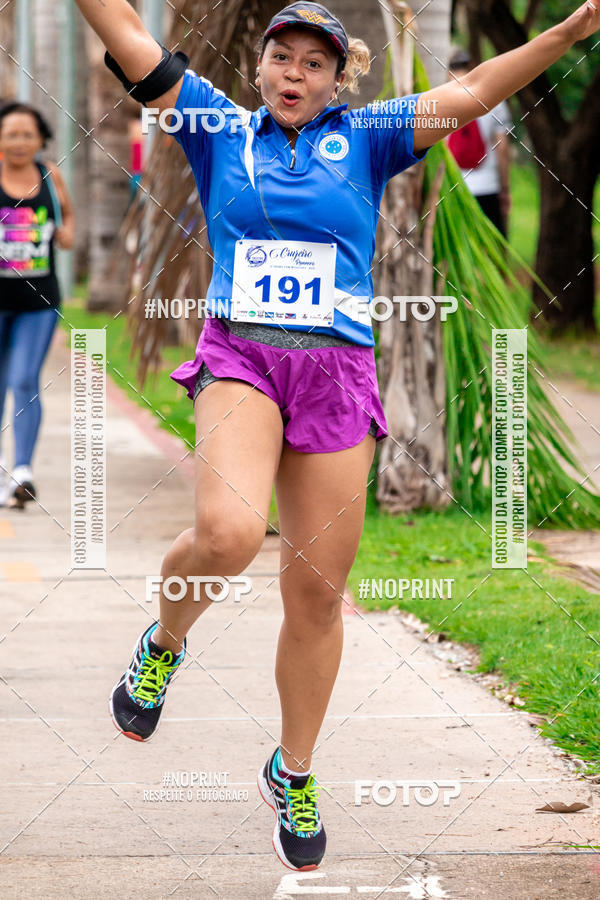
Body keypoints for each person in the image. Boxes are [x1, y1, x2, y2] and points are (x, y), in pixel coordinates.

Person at [74, 0, 600, 872]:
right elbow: (130, 38)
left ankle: (294, 767)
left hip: (337, 375)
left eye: (314, 63)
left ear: (337, 78)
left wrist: (564, 37)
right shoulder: (215, 124)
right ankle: (163, 644)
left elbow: (469, 93)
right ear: (262, 67)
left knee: (317, 591)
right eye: (281, 56)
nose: (293, 73)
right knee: (230, 533)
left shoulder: (367, 137)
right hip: (243, 358)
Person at [0, 102, 74, 507]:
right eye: (11, 133)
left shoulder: (50, 174)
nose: (19, 142)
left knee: (25, 379)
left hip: (39, 300)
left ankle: (22, 471)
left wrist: (67, 235)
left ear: (39, 139)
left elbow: (69, 215)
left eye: (27, 134)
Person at [446, 49, 513, 236]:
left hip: (455, 189)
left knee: (457, 252)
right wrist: (505, 189)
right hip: (488, 188)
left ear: (449, 71)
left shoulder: (439, 100)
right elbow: (503, 149)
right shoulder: (495, 101)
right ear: (472, 68)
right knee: (494, 250)